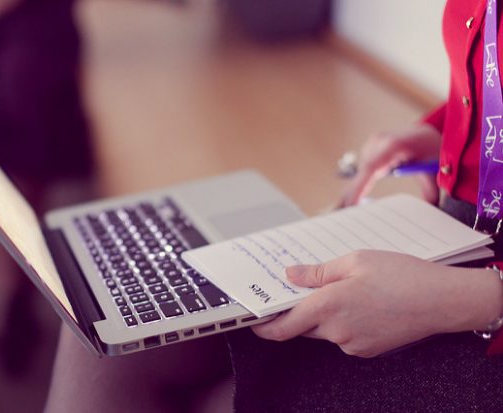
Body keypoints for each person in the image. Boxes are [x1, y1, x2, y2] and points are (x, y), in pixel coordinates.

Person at [45, 0, 503, 411]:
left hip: (482, 305)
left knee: (226, 400)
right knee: (108, 336)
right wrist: (445, 131)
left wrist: (458, 302)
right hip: (460, 230)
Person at [0, 0, 93, 376]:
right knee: (22, 182)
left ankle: (13, 304)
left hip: (30, 55)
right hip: (33, 47)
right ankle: (11, 306)